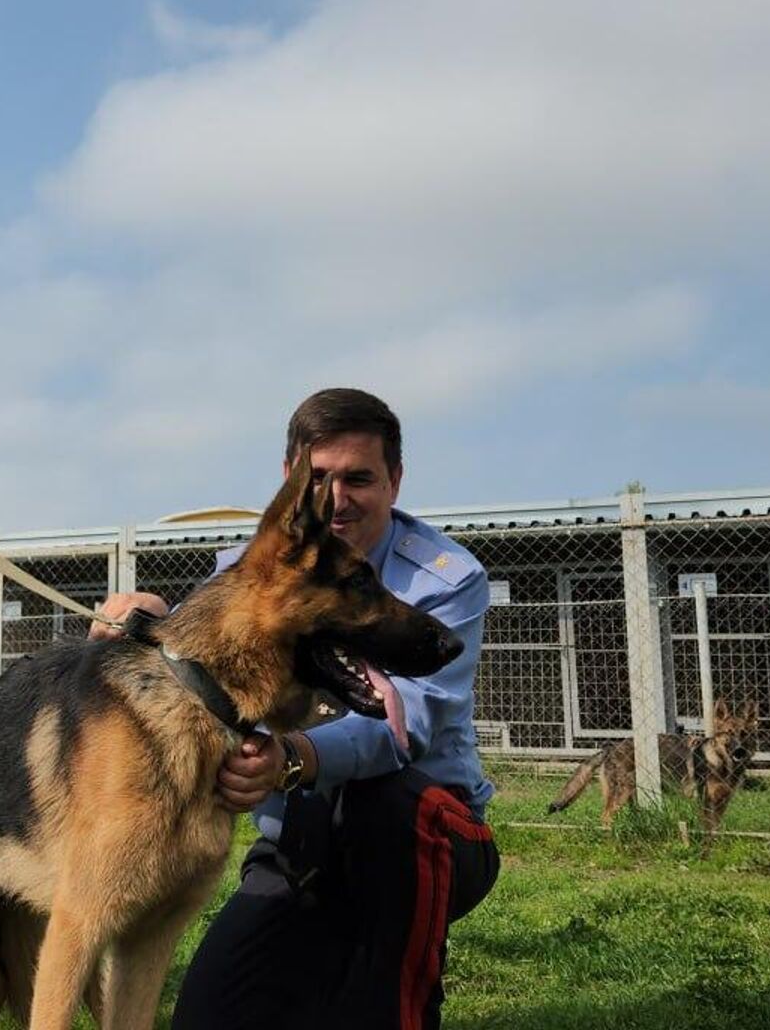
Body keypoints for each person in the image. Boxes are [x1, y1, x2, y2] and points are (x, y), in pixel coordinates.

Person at [95, 387, 499, 1030]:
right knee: (208, 1016)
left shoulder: (448, 580)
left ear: (395, 480)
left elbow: (408, 723)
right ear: (290, 481)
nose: (338, 499)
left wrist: (293, 758)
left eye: (360, 478)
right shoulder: (244, 571)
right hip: (299, 845)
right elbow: (209, 666)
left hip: (426, 836)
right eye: (321, 478)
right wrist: (154, 624)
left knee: (385, 814)